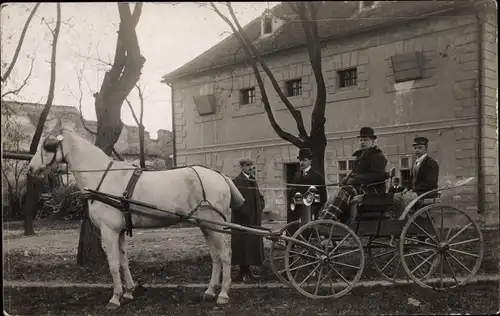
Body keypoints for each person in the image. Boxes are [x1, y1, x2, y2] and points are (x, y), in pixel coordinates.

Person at [321, 127, 388, 224]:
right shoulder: (361, 156)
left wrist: (356, 179)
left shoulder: (377, 156)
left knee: (345, 191)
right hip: (360, 188)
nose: (362, 142)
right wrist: (346, 179)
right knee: (337, 192)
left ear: (373, 141)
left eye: (365, 140)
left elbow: (378, 176)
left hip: (372, 191)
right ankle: (324, 218)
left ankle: (327, 221)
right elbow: (355, 172)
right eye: (361, 140)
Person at [231, 157, 266, 282]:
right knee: (242, 245)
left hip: (254, 219)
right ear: (242, 167)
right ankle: (243, 271)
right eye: (247, 165)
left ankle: (248, 271)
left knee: (251, 245)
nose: (251, 167)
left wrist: (260, 205)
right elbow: (235, 201)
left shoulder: (252, 180)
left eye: (252, 165)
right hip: (242, 219)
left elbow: (259, 197)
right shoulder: (237, 181)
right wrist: (245, 212)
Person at [390, 136, 439, 217]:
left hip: (426, 192)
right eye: (415, 148)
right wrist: (407, 189)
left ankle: (403, 221)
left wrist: (414, 189)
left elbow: (431, 183)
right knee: (394, 197)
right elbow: (412, 179)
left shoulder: (431, 163)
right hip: (416, 192)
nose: (417, 150)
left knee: (405, 198)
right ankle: (396, 217)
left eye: (420, 148)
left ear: (426, 149)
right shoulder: (416, 162)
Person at [287, 148, 328, 228]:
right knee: (293, 231)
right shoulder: (296, 176)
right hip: (296, 212)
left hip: (310, 212)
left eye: (305, 160)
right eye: (300, 160)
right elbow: (291, 194)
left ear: (310, 161)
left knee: (307, 233)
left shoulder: (317, 177)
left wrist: (311, 203)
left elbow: (323, 197)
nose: (302, 163)